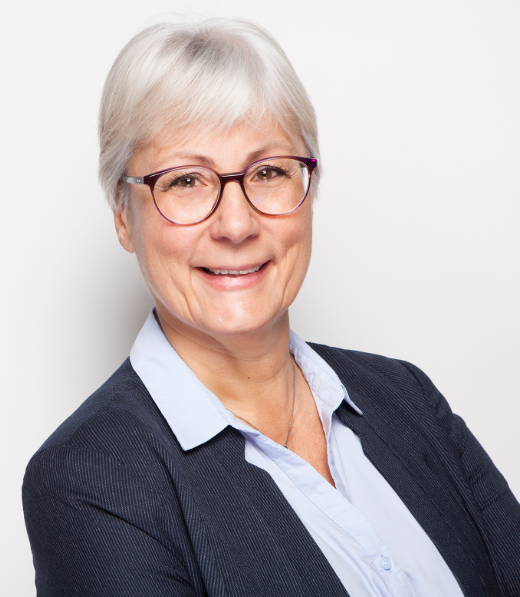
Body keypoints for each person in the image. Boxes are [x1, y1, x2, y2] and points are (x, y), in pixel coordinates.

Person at [22, 18, 520, 597]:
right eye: (185, 181)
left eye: (268, 172)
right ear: (122, 217)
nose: (236, 225)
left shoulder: (407, 397)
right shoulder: (91, 480)